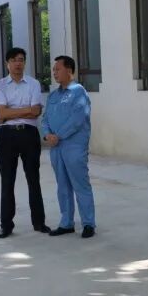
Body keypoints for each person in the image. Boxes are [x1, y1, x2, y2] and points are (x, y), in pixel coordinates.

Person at [0, 47, 48, 238]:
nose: (18, 63)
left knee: (33, 179)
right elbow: (2, 113)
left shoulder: (33, 84)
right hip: (6, 136)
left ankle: (39, 222)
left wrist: (9, 113)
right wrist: (24, 110)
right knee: (7, 181)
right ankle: (6, 225)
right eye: (14, 60)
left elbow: (36, 111)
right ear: (7, 63)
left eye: (21, 59)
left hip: (29, 134)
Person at [41, 55, 95, 238]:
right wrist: (47, 134)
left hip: (74, 147)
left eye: (58, 69)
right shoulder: (53, 95)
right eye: (53, 70)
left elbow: (78, 119)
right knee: (62, 186)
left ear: (69, 70)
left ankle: (88, 223)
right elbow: (45, 118)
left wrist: (59, 136)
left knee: (80, 184)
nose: (54, 72)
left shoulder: (79, 92)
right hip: (56, 148)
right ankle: (66, 223)